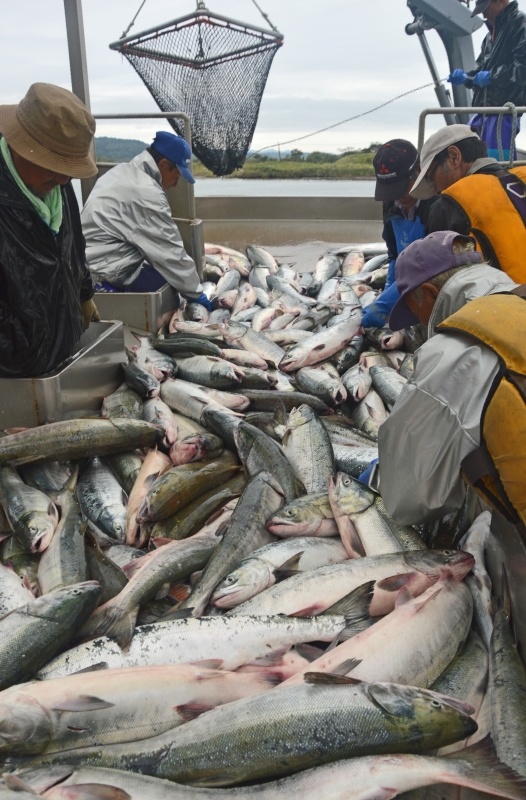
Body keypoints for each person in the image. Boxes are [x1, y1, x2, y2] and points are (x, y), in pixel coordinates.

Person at [377, 230, 519, 526]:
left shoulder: (452, 353)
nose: (420, 324)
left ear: (429, 292)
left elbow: (411, 497)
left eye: (417, 313)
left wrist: (386, 472)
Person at [0, 82, 100, 378]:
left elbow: (74, 246)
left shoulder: (57, 183)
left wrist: (84, 293)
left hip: (60, 357)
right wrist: (16, 347)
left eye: (68, 167)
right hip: (13, 373)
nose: (63, 177)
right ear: (19, 146)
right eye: (52, 163)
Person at [81, 131, 211, 310]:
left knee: (166, 275)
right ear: (163, 165)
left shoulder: (121, 172)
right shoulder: (147, 194)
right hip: (101, 273)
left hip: (86, 264)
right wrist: (197, 295)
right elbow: (170, 253)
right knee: (170, 282)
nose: (174, 184)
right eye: (177, 176)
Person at [409, 123, 526, 282]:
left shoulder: (449, 203)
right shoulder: (521, 178)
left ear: (454, 157)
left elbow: (440, 283)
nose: (435, 190)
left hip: (510, 304)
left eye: (430, 177)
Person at [361, 139, 435, 329]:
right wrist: (388, 293)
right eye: (391, 190)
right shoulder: (392, 202)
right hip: (408, 282)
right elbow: (395, 254)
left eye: (403, 187)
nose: (399, 197)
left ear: (418, 171)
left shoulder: (437, 205)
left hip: (433, 283)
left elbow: (432, 265)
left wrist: (386, 303)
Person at [448, 0, 526, 160]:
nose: (483, 14)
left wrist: (492, 76)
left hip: (503, 113)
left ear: (499, 1)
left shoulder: (520, 24)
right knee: (467, 151)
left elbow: (522, 69)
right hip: (483, 112)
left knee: (495, 166)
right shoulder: (489, 37)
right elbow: (480, 70)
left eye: (485, 8)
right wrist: (466, 77)